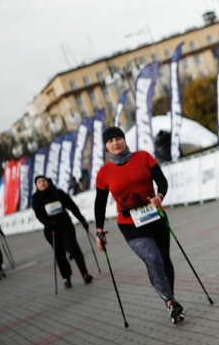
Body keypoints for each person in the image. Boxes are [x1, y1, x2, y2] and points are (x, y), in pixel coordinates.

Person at [94, 126, 184, 324]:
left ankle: (172, 300)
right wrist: (99, 231)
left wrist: (160, 196)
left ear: (125, 140)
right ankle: (170, 302)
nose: (115, 143)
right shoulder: (104, 173)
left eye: (118, 138)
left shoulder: (143, 157)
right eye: (110, 141)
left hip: (155, 216)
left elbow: (162, 181)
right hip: (129, 223)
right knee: (152, 258)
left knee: (164, 260)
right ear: (106, 147)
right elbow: (99, 203)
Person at [31, 175, 93, 288]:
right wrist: (48, 223)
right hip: (51, 230)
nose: (42, 183)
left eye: (43, 181)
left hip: (65, 225)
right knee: (59, 254)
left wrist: (82, 219)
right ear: (36, 185)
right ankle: (66, 278)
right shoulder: (36, 198)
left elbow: (72, 206)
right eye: (39, 182)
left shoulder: (58, 193)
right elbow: (39, 215)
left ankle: (85, 273)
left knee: (74, 248)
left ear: (47, 182)